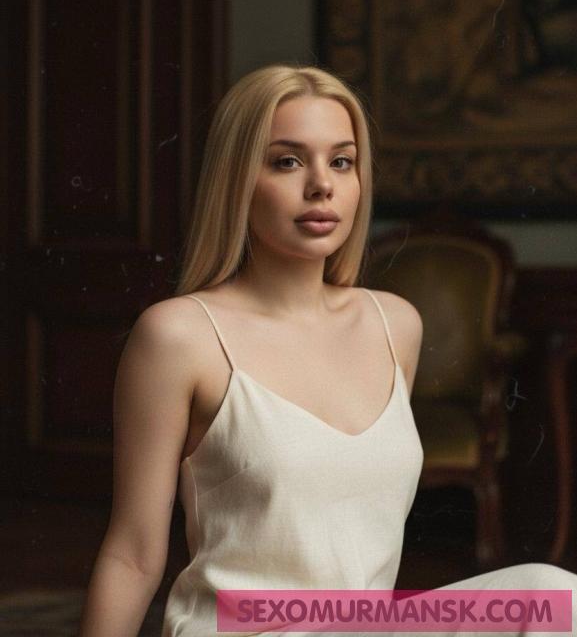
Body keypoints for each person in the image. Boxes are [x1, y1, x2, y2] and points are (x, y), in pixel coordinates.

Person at [78, 65, 577, 637]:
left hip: (362, 627)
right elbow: (133, 555)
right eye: (287, 161)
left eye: (341, 161)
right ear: (236, 179)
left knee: (553, 595)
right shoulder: (179, 336)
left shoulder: (395, 325)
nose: (322, 185)